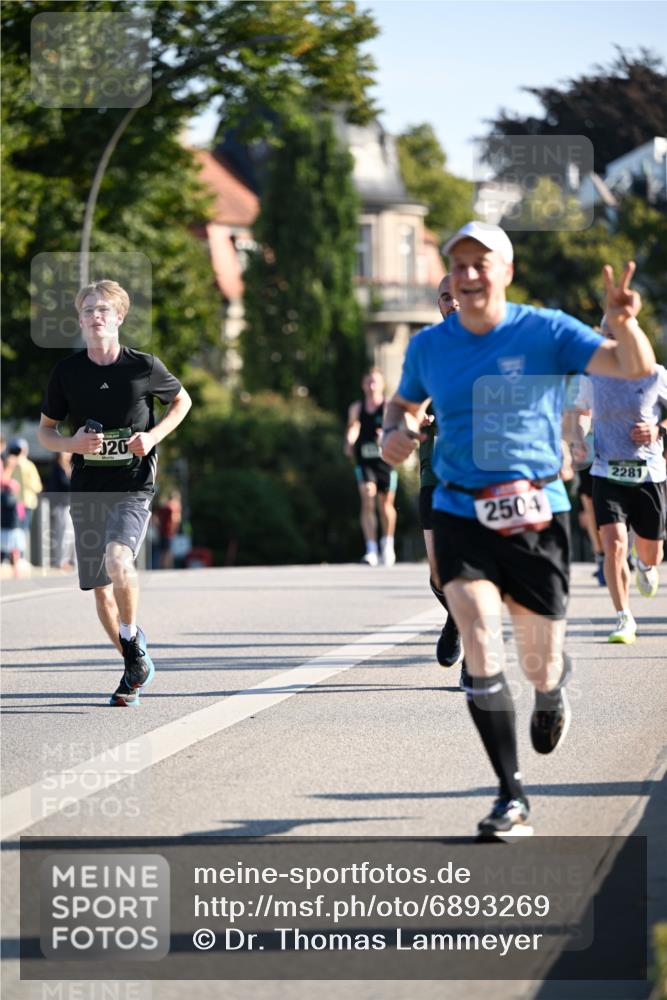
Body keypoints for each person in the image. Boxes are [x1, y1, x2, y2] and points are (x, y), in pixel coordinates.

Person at [382, 220, 655, 839]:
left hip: (535, 510)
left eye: (483, 264)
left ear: (505, 271)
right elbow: (403, 404)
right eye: (459, 267)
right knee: (478, 632)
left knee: (538, 661)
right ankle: (511, 795)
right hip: (458, 507)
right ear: (449, 278)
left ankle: (553, 690)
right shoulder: (430, 345)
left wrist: (625, 322)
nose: (470, 276)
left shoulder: (547, 329)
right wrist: (393, 435)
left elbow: (628, 367)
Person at [38, 279, 192, 706]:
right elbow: (46, 433)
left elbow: (182, 402)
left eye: (103, 310)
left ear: (119, 316)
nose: (95, 317)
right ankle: (134, 659)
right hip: (87, 489)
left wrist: (154, 435)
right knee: (101, 590)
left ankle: (130, 644)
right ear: (80, 320)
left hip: (132, 486)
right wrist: (74, 446)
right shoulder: (67, 373)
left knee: (119, 559)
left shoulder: (143, 367)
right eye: (87, 311)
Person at [571, 345, 667, 643]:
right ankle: (624, 617)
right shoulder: (592, 377)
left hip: (649, 472)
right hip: (605, 470)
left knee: (652, 550)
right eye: (607, 334)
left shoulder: (655, 374)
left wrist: (658, 430)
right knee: (613, 544)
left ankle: (646, 564)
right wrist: (578, 437)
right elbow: (583, 411)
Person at [417, 275, 463, 670]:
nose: (454, 303)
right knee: (438, 571)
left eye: (459, 295)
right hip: (434, 471)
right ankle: (457, 621)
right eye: (446, 297)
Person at [344, 367, 398, 566]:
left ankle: (387, 544)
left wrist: (385, 436)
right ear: (363, 384)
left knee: (385, 506)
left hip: (386, 461)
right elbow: (353, 427)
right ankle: (371, 549)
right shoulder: (357, 408)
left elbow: (395, 429)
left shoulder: (388, 407)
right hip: (364, 461)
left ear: (382, 385)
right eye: (368, 382)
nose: (371, 386)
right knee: (367, 497)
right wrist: (349, 441)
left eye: (375, 382)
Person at [45, 452, 76, 570]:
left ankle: (68, 560)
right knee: (62, 533)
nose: (68, 454)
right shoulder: (57, 468)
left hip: (70, 505)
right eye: (66, 452)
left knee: (70, 534)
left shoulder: (69, 467)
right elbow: (65, 485)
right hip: (61, 505)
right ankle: (61, 561)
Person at [7, 437, 43, 535]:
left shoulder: (9, 464)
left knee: (13, 532)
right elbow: (38, 487)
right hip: (26, 503)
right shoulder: (29, 465)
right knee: (22, 533)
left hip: (13, 503)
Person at [155, 489, 182, 569]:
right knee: (168, 550)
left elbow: (155, 517)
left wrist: (158, 526)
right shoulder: (174, 506)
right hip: (169, 531)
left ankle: (161, 566)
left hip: (161, 531)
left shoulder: (164, 506)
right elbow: (175, 519)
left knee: (162, 551)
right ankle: (167, 567)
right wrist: (174, 530)